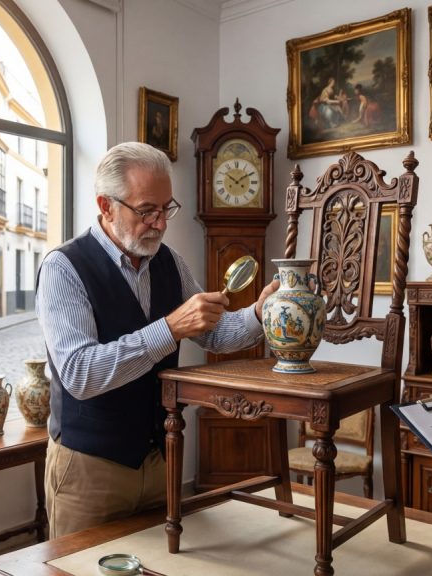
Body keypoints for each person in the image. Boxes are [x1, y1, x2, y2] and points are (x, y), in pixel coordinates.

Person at [36, 142, 277, 539]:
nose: (161, 224)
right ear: (106, 206)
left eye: (167, 208)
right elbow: (79, 374)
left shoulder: (170, 262)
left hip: (161, 459)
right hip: (89, 469)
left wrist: (261, 313)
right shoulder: (63, 268)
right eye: (147, 210)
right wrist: (169, 329)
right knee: (79, 567)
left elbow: (215, 335)